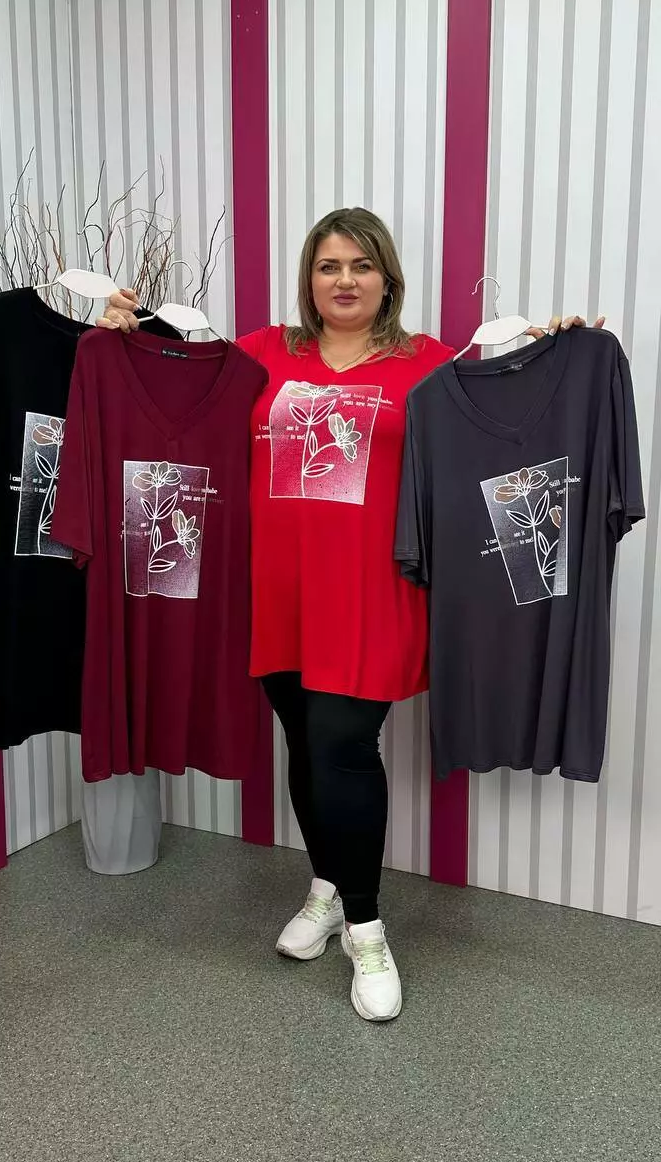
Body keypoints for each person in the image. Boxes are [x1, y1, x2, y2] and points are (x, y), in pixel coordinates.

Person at [97, 207, 602, 1023]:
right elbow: (175, 379)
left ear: (387, 279)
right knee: (304, 743)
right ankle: (327, 889)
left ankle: (366, 932)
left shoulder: (431, 363)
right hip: (277, 591)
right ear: (309, 278)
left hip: (372, 591)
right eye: (329, 266)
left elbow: (510, 407)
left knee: (343, 743)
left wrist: (560, 346)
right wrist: (128, 326)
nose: (344, 280)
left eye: (361, 266)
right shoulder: (263, 353)